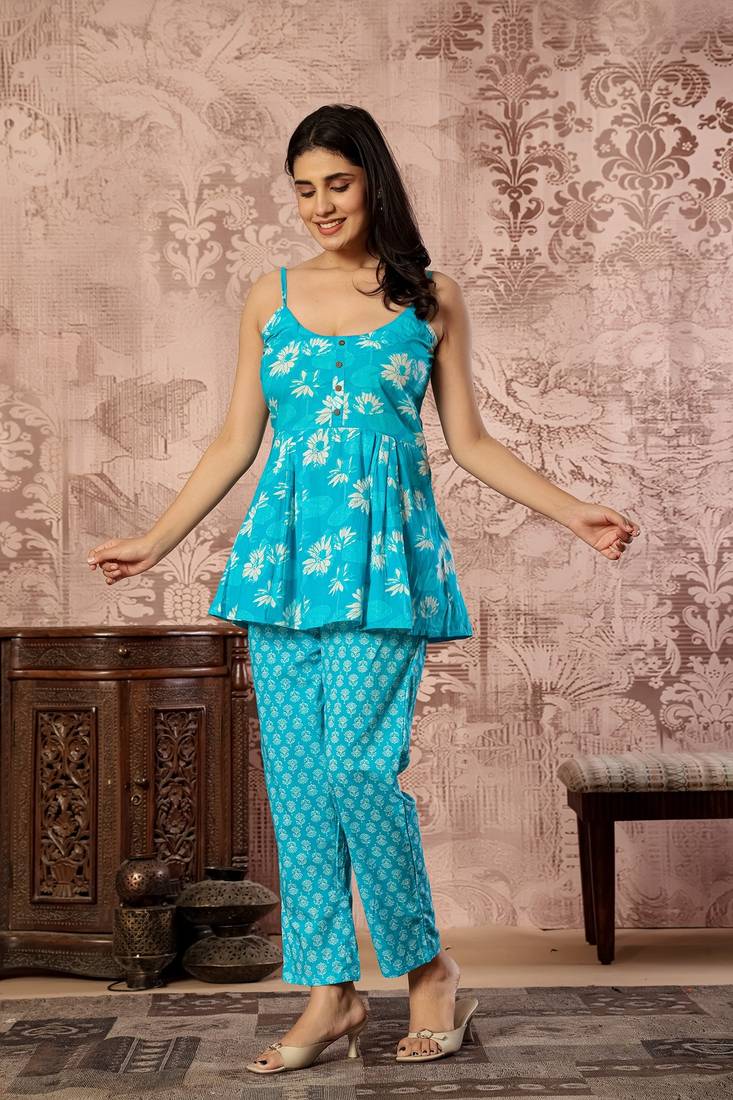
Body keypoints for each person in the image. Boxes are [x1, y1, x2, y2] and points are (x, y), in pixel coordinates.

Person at [85, 103, 640, 1074]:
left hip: (384, 567)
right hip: (279, 567)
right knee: (298, 786)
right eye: (303, 189)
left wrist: (572, 511)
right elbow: (235, 439)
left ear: (372, 182)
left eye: (336, 183)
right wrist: (156, 539)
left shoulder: (430, 298)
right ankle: (330, 994)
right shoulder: (268, 296)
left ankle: (427, 968)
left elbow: (470, 442)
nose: (319, 205)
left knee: (355, 770)